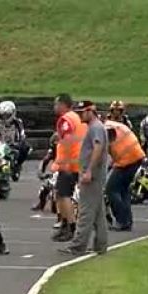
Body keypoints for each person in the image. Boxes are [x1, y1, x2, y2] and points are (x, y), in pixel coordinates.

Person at [59, 101, 108, 256]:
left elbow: (98, 147)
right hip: (95, 175)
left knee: (86, 211)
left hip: (92, 176)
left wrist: (88, 171)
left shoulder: (96, 128)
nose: (79, 115)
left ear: (90, 111)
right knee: (98, 212)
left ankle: (78, 245)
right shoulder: (95, 127)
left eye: (82, 112)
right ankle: (101, 244)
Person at [51, 93, 86, 242]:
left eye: (56, 104)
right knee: (60, 195)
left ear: (63, 105)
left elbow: (67, 139)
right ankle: (66, 223)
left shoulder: (65, 119)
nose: (55, 107)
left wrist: (62, 163)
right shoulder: (76, 117)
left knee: (63, 195)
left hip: (69, 164)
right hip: (77, 162)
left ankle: (71, 226)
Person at [105, 118, 145, 231]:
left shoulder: (104, 129)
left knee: (111, 189)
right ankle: (127, 221)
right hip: (136, 155)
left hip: (127, 159)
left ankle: (122, 220)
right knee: (123, 190)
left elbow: (104, 147)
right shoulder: (114, 124)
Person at [0, 100, 29, 179]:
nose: (4, 118)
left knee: (26, 148)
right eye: (2, 115)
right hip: (0, 144)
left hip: (14, 144)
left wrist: (21, 139)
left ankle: (18, 165)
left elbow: (22, 132)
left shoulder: (18, 122)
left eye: (7, 115)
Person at [34, 133, 58, 212]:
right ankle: (41, 203)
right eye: (54, 143)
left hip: (70, 171)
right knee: (44, 189)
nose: (56, 144)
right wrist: (41, 172)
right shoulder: (52, 150)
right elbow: (45, 160)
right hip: (56, 172)